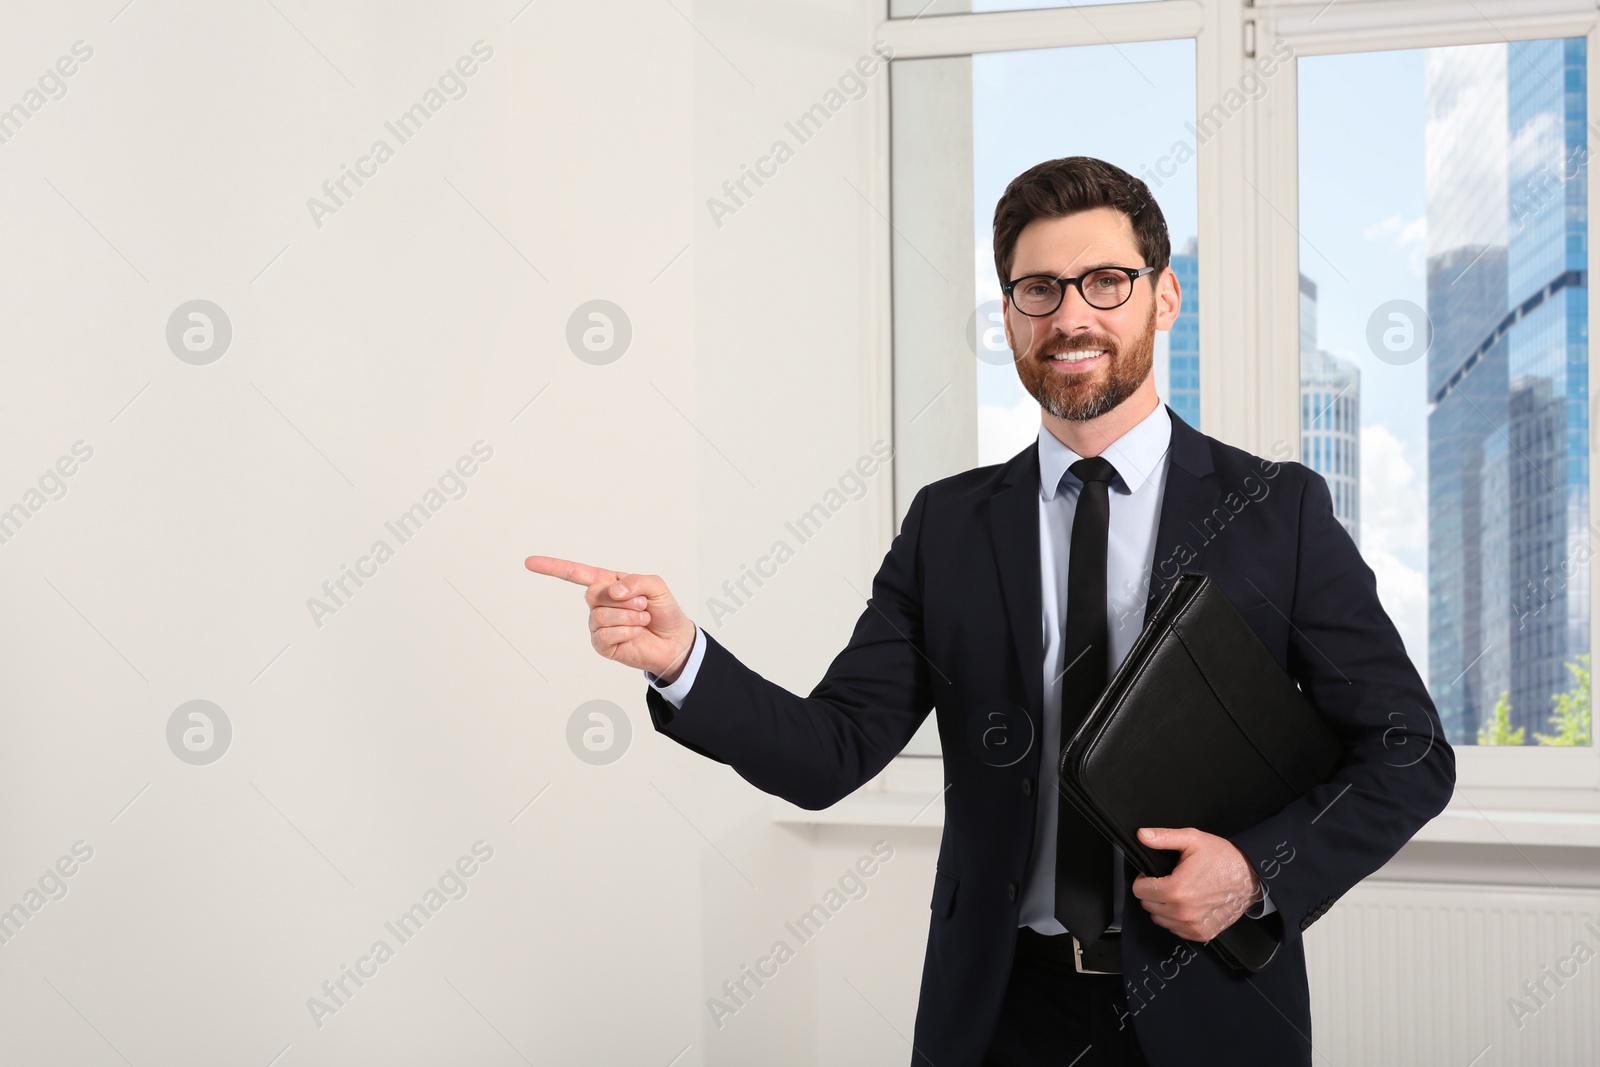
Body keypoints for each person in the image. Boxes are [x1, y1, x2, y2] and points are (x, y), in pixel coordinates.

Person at [527, 156, 1455, 1067]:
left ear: (1164, 298)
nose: (1072, 315)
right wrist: (683, 658)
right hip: (1002, 1015)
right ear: (1009, 315)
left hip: (1208, 1003)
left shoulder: (1273, 511)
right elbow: (832, 751)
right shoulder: (949, 525)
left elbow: (1409, 752)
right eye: (1039, 289)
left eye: (1105, 281)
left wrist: (1255, 872)